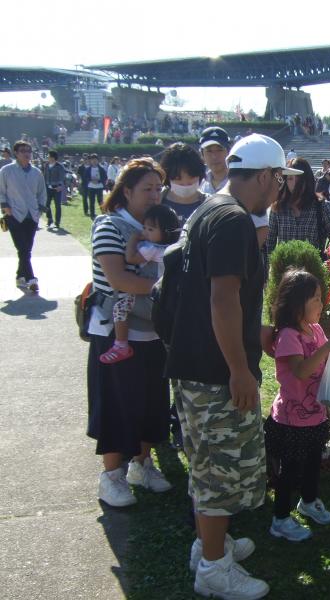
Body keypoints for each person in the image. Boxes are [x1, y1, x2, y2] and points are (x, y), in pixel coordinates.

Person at [166, 135, 295, 599]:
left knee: (207, 465)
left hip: (195, 360)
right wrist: (240, 370)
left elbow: (218, 299)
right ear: (264, 175)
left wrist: (253, 333)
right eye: (279, 177)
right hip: (214, 371)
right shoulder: (234, 221)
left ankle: (210, 545)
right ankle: (214, 569)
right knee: (220, 472)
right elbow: (222, 299)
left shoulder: (210, 209)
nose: (280, 186)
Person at [87, 158, 172, 509]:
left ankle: (142, 464)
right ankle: (111, 477)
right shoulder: (109, 225)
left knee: (152, 401)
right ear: (126, 191)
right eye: (146, 189)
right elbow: (119, 279)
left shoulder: (160, 228)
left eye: (157, 188)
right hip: (115, 331)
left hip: (152, 331)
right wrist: (165, 289)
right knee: (116, 403)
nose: (154, 195)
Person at [265, 269, 330, 542]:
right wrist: (327, 349)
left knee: (313, 463)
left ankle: (309, 502)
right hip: (291, 419)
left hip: (315, 415)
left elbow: (324, 363)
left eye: (321, 298)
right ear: (297, 304)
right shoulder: (289, 335)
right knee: (289, 472)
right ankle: (280, 518)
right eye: (315, 299)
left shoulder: (315, 330)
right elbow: (300, 371)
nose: (321, 304)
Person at [99, 204, 180, 365]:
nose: (145, 232)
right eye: (144, 228)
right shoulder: (175, 247)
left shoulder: (151, 249)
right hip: (166, 296)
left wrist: (134, 239)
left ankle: (121, 344)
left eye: (150, 230)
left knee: (120, 308)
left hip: (148, 295)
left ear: (164, 232)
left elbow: (130, 258)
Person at [266, 158, 330, 262]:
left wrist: (329, 259)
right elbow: (269, 244)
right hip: (283, 274)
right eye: (290, 179)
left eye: (298, 179)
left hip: (314, 273)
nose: (294, 184)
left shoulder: (323, 207)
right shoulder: (278, 208)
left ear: (307, 180)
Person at [0, 140, 46, 293]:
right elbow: (1, 190)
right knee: (23, 247)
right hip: (14, 214)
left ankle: (20, 276)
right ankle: (32, 279)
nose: (26, 154)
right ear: (16, 153)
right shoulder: (6, 171)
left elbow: (42, 192)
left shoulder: (36, 172)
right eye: (22, 151)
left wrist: (39, 209)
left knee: (26, 249)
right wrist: (4, 205)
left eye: (28, 151)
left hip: (32, 215)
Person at [159, 142, 208, 227]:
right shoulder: (155, 202)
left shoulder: (211, 204)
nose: (186, 183)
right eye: (178, 178)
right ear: (167, 177)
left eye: (192, 177)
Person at [198, 126, 232, 195]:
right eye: (209, 151)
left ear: (229, 153)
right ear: (202, 155)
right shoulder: (198, 183)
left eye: (219, 150)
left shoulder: (237, 182)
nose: (214, 156)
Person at [43, 149, 66, 230]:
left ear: (53, 157)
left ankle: (57, 222)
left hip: (57, 188)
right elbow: (44, 175)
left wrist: (60, 186)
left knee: (57, 205)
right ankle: (50, 219)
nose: (47, 158)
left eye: (48, 156)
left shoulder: (59, 166)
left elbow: (62, 177)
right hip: (48, 187)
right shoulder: (46, 165)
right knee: (46, 204)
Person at [85, 154, 108, 219]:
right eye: (92, 160)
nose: (94, 161)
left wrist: (99, 181)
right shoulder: (88, 169)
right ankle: (92, 214)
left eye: (95, 160)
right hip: (91, 187)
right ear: (91, 161)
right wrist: (91, 180)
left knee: (100, 201)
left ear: (98, 160)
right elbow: (85, 177)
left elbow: (105, 177)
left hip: (99, 187)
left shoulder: (101, 168)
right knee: (91, 201)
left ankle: (103, 213)